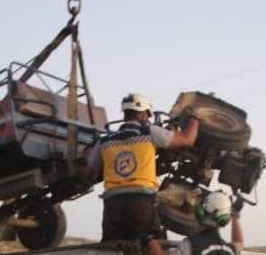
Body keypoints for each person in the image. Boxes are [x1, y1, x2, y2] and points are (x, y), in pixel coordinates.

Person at [85, 93, 199, 241]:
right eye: (147, 116)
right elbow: (187, 140)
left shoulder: (104, 142)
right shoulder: (150, 132)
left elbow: (88, 173)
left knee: (111, 251)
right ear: (143, 115)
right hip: (141, 203)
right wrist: (195, 118)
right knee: (146, 248)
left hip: (112, 205)